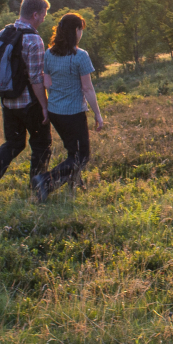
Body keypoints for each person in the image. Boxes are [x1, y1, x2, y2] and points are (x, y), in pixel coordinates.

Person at [0, 0, 51, 195]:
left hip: (8, 102)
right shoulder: (34, 40)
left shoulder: (3, 33)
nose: (44, 18)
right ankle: (38, 188)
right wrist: (44, 106)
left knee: (14, 142)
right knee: (41, 144)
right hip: (29, 103)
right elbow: (36, 78)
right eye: (43, 14)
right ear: (35, 14)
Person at [33, 11, 105, 202]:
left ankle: (75, 184)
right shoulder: (80, 56)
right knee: (82, 156)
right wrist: (98, 114)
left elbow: (47, 83)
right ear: (75, 30)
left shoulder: (49, 54)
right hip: (73, 113)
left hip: (56, 112)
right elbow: (87, 88)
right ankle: (45, 181)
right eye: (81, 29)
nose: (82, 33)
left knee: (73, 151)